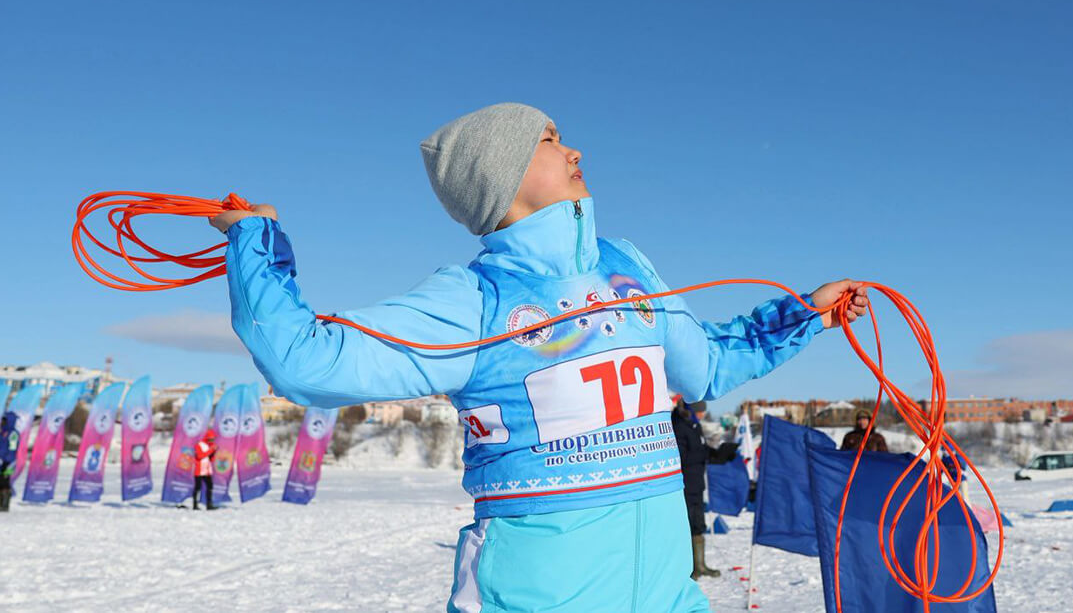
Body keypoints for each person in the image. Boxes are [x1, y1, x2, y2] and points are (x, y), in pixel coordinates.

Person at [211, 103, 869, 612]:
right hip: (540, 594)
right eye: (551, 140)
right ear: (499, 172)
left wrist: (806, 313)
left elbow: (709, 368)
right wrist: (253, 240)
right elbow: (306, 359)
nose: (575, 148)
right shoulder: (473, 299)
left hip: (666, 592)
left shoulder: (627, 266)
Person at [671, 397, 737, 580]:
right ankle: (689, 567)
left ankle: (700, 565)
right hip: (684, 484)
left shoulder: (693, 425)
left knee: (698, 524)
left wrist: (721, 454)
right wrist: (702, 453)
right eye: (699, 412)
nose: (702, 415)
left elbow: (701, 451)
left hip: (696, 484)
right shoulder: (678, 426)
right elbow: (682, 456)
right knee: (688, 525)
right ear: (691, 411)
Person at [0, 411, 20, 512]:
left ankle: (4, 504)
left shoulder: (13, 433)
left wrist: (7, 460)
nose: (2, 422)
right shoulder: (3, 432)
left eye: (4, 420)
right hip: (1, 461)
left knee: (4, 481)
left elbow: (12, 448)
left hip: (8, 462)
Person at [193, 428, 217, 510]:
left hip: (207, 471)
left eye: (213, 439)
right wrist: (211, 450)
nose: (212, 441)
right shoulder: (199, 445)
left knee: (210, 487)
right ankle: (195, 504)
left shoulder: (209, 446)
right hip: (199, 471)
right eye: (210, 439)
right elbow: (200, 456)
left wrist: (213, 453)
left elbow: (210, 459)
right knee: (198, 487)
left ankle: (209, 504)